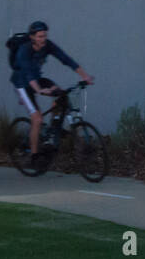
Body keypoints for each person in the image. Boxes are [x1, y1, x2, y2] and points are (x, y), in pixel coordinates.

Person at [11, 21, 95, 163]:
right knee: (37, 119)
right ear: (32, 37)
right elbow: (28, 74)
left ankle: (53, 128)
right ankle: (34, 155)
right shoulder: (24, 50)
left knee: (61, 95)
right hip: (23, 83)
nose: (43, 39)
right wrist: (40, 90)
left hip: (38, 79)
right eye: (39, 36)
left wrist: (84, 76)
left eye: (44, 36)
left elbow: (66, 59)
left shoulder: (47, 45)